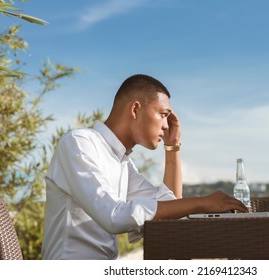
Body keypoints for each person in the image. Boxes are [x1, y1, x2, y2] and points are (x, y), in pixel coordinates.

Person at [41, 74, 247, 260]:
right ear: (136, 109)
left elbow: (168, 206)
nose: (166, 126)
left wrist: (172, 147)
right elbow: (113, 216)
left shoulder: (122, 163)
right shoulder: (79, 143)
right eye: (163, 114)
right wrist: (202, 203)